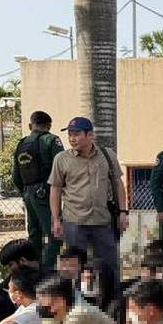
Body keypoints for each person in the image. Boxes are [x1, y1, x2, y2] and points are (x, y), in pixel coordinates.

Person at [49, 116, 128, 303]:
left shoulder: (107, 155)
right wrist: (55, 219)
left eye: (77, 134)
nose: (72, 139)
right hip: (74, 222)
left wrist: (123, 213)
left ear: (90, 135)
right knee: (75, 267)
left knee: (110, 266)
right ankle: (75, 303)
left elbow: (118, 184)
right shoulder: (62, 159)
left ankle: (113, 304)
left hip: (102, 221)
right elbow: (55, 189)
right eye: (70, 135)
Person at [11, 110, 65, 271]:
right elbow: (62, 167)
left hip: (29, 193)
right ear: (49, 126)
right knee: (55, 233)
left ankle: (33, 269)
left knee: (35, 234)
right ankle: (49, 271)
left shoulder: (21, 144)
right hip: (47, 193)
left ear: (30, 126)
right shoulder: (51, 140)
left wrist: (25, 192)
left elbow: (16, 176)